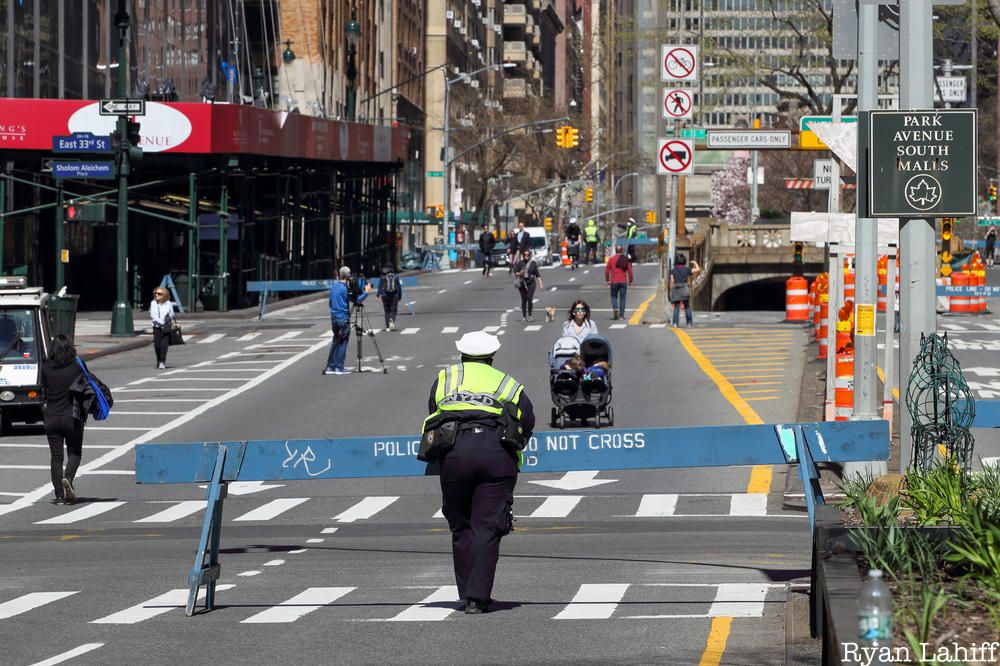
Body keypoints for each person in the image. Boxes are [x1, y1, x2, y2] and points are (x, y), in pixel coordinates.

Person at [421, 331, 535, 614]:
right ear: (492, 357)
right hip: (494, 453)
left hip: (455, 452)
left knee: (461, 524)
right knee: (487, 524)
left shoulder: (445, 378)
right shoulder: (507, 383)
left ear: (462, 355)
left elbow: (433, 409)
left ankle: (466, 592)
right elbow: (527, 419)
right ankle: (477, 597)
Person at [41, 335, 85, 505]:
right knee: (75, 452)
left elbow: (43, 390)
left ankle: (59, 495)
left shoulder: (46, 368)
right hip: (71, 417)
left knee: (56, 457)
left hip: (51, 417)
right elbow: (85, 387)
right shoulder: (75, 367)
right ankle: (68, 478)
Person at [323, 266, 371, 375]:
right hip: (343, 318)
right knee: (343, 342)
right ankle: (339, 367)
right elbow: (357, 300)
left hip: (334, 318)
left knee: (336, 341)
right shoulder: (345, 289)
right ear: (348, 276)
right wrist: (366, 292)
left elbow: (330, 303)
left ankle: (331, 366)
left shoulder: (334, 287)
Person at [669, 254, 701, 328]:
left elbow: (672, 281)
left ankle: (675, 323)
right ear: (684, 261)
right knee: (686, 306)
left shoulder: (673, 270)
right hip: (684, 288)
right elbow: (698, 269)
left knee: (676, 306)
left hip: (676, 289)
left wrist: (671, 291)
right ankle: (689, 323)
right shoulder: (687, 269)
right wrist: (695, 262)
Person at [149, 287, 178, 370]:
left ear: (164, 295)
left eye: (159, 293)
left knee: (164, 345)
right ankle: (158, 359)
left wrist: (168, 319)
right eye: (155, 293)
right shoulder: (153, 303)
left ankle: (162, 361)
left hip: (166, 327)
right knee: (157, 345)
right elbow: (152, 315)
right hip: (157, 326)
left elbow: (172, 314)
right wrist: (160, 322)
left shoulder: (168, 303)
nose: (156, 295)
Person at [514, 248, 543, 322]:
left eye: (528, 254)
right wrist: (520, 273)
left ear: (530, 255)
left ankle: (529, 315)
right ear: (523, 255)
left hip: (531, 283)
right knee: (524, 300)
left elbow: (537, 275)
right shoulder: (520, 263)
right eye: (525, 255)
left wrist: (540, 284)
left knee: (529, 298)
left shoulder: (533, 263)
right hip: (522, 283)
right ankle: (524, 316)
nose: (526, 256)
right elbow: (515, 273)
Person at [605, 245, 633, 320]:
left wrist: (608, 280)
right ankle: (621, 315)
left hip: (614, 281)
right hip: (623, 281)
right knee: (623, 298)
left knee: (613, 296)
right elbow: (630, 271)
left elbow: (607, 271)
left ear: (615, 250)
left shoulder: (611, 259)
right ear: (622, 250)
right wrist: (630, 280)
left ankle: (615, 308)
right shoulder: (625, 259)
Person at [376, 264, 401, 331]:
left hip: (384, 295)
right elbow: (398, 287)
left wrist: (378, 295)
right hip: (394, 295)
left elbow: (380, 286)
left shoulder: (383, 276)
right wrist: (399, 296)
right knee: (394, 309)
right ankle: (392, 319)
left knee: (387, 311)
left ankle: (387, 327)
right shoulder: (396, 276)